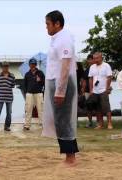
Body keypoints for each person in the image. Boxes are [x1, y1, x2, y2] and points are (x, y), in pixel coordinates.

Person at [42, 10, 79, 166]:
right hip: (54, 82)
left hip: (62, 83)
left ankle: (70, 157)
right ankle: (68, 155)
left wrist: (60, 91)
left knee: (63, 120)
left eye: (48, 24)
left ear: (57, 23)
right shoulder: (56, 40)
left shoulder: (64, 39)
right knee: (58, 120)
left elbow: (65, 67)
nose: (46, 28)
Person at [88, 52, 113, 129]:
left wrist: (107, 88)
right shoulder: (92, 67)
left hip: (103, 90)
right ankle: (100, 124)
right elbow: (90, 78)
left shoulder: (106, 66)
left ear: (101, 57)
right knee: (97, 109)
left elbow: (109, 77)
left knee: (106, 107)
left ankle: (109, 123)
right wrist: (91, 90)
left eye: (97, 58)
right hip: (95, 91)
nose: (95, 60)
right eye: (94, 58)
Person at [23, 58, 45, 130]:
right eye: (31, 64)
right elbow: (24, 85)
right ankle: (27, 125)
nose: (33, 65)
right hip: (29, 94)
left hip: (38, 93)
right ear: (29, 65)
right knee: (28, 109)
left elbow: (44, 83)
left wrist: (40, 80)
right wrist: (26, 93)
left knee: (40, 109)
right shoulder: (27, 74)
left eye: (34, 64)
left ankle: (42, 124)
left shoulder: (40, 73)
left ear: (36, 65)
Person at [0, 61, 15, 131]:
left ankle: (7, 126)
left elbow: (13, 85)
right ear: (2, 67)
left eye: (6, 66)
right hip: (0, 97)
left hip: (9, 97)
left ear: (8, 67)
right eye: (4, 66)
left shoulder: (12, 76)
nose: (5, 67)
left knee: (9, 113)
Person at [81, 54, 95, 128]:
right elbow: (84, 80)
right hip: (87, 91)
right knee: (88, 107)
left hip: (96, 90)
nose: (90, 61)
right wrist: (83, 90)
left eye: (91, 59)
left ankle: (99, 122)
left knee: (98, 107)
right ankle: (90, 122)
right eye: (88, 59)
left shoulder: (96, 68)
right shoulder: (87, 70)